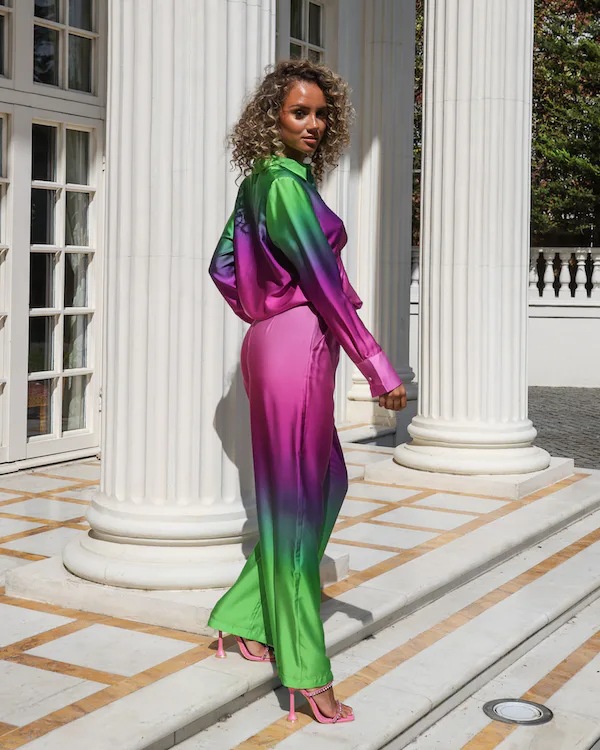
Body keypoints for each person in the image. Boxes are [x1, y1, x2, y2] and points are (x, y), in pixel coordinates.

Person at [207, 58, 407, 725]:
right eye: (300, 112)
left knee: (328, 483)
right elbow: (323, 283)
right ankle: (304, 671)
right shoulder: (282, 185)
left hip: (279, 341)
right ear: (273, 118)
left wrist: (263, 308)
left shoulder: (265, 184)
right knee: (295, 509)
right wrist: (377, 365)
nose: (314, 124)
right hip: (297, 343)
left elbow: (224, 265)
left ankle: (242, 615)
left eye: (322, 113)